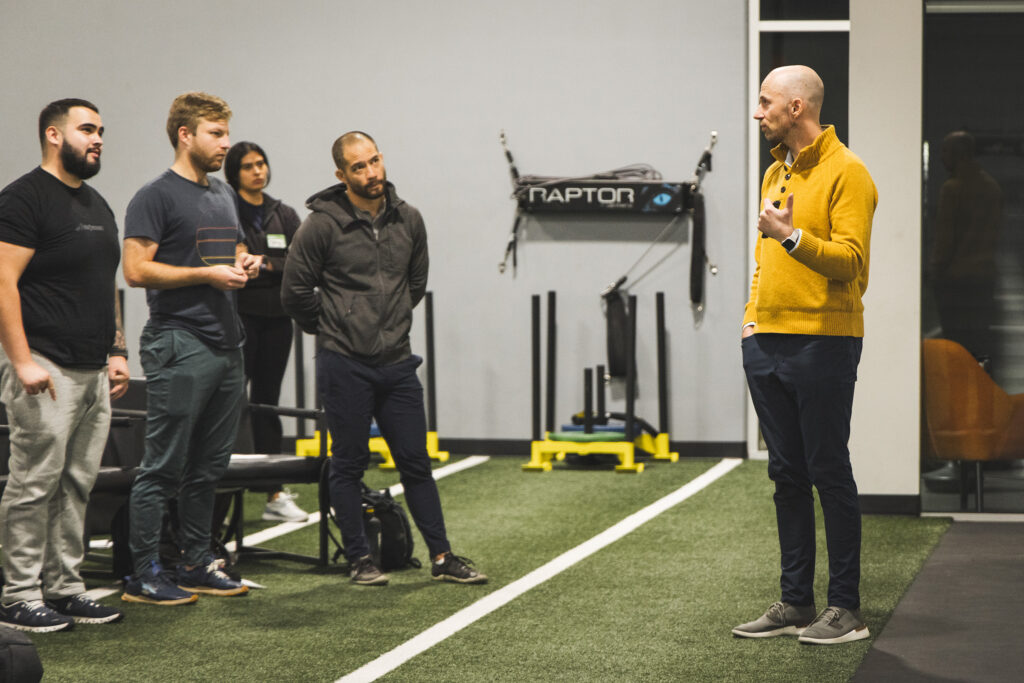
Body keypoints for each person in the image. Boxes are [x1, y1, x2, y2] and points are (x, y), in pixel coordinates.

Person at [282, 131, 486, 586]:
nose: (371, 173)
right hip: (343, 362)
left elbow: (415, 285)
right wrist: (336, 324)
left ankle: (442, 556)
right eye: (359, 166)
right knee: (349, 463)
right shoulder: (320, 225)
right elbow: (295, 292)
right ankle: (360, 559)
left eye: (374, 161)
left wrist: (386, 325)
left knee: (416, 462)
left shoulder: (409, 219)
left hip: (397, 364)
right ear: (342, 174)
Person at [734, 66, 877, 645]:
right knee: (786, 475)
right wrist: (750, 318)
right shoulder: (776, 171)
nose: (757, 110)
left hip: (825, 341)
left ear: (796, 107)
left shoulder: (850, 172)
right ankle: (797, 602)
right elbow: (764, 260)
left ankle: (846, 609)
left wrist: (793, 237)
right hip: (766, 343)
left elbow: (852, 263)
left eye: (765, 101)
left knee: (828, 472)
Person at [121, 92, 259, 605]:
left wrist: (246, 263)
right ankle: (143, 574)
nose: (225, 143)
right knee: (163, 467)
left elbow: (236, 248)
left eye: (226, 132)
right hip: (179, 340)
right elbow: (135, 270)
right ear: (185, 135)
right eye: (215, 134)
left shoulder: (222, 194)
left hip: (227, 343)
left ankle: (197, 562)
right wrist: (206, 274)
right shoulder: (154, 196)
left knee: (209, 465)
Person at [0, 98, 128, 631]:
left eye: (100, 130)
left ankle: (65, 586)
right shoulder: (23, 199)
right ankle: (18, 594)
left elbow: (106, 287)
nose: (98, 138)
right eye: (87, 129)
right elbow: (3, 283)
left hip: (94, 369)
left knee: (77, 482)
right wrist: (23, 362)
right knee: (34, 483)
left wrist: (118, 351)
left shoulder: (97, 204)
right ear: (54, 135)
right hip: (44, 367)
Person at [223, 141, 307, 523]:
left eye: (262, 164)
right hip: (239, 319)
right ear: (234, 173)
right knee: (231, 405)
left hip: (278, 321)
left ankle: (274, 493)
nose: (258, 171)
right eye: (248, 166)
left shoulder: (283, 213)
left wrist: (266, 265)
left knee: (268, 403)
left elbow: (302, 260)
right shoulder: (225, 210)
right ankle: (223, 492)